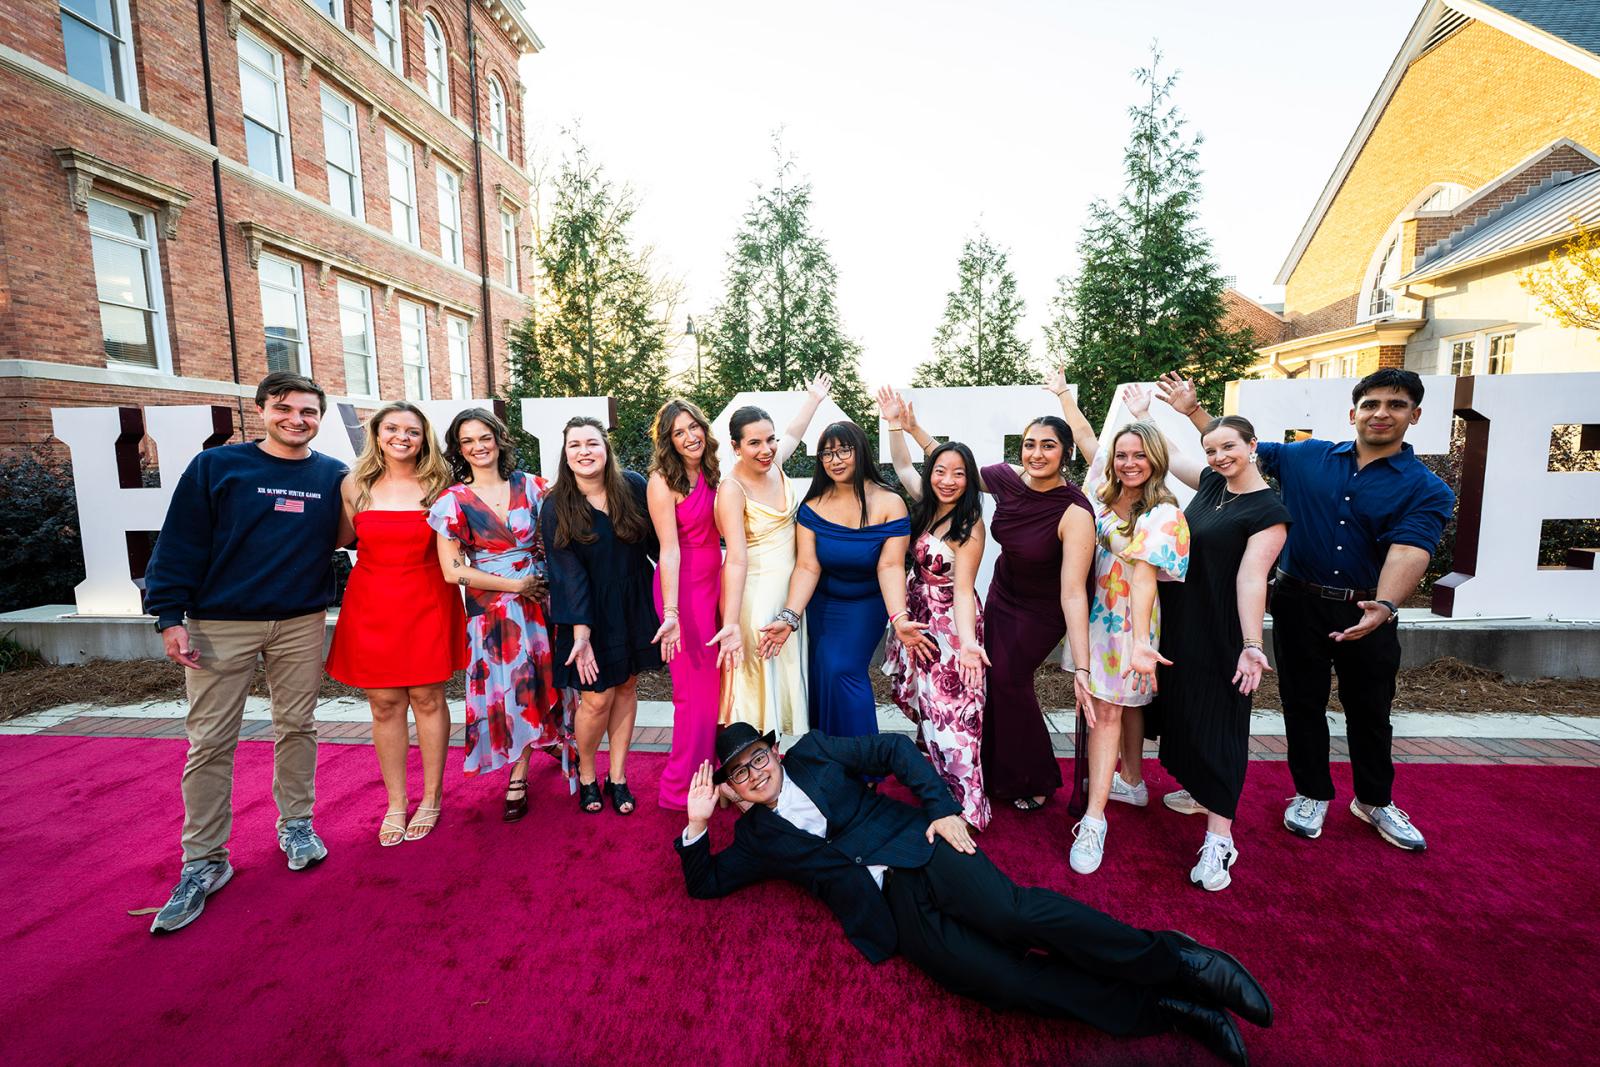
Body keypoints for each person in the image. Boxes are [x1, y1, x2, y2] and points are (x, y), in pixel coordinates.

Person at [674, 724, 1271, 1067]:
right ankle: (1165, 1008)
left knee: (1013, 916)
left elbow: (893, 750)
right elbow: (705, 883)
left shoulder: (813, 753)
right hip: (889, 911)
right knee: (1003, 984)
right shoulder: (755, 837)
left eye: (755, 758)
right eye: (738, 776)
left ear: (772, 751)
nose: (753, 774)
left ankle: (1181, 961)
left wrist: (941, 810)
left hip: (925, 845)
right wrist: (698, 825)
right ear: (732, 792)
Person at [1165, 369, 1453, 851]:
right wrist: (1194, 411)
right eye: (1372, 404)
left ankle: (1375, 801)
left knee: (1370, 710)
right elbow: (1237, 450)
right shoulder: (1307, 457)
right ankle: (1311, 794)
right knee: (1302, 705)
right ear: (1353, 413)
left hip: (1368, 609)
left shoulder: (1427, 489)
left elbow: (1410, 549)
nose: (1382, 413)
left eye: (1396, 405)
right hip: (1299, 602)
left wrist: (1383, 605)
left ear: (1415, 415)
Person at [144, 372, 350, 934]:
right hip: (219, 625)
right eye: (284, 408)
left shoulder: (334, 476)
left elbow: (367, 532)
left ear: (320, 417)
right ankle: (205, 861)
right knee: (210, 741)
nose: (296, 419)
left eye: (308, 411)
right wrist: (169, 616)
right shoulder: (219, 467)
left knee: (298, 726)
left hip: (300, 622)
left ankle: (297, 825)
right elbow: (180, 539)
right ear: (262, 410)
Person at [897, 398, 1096, 813]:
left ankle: (1035, 776)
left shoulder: (1075, 511)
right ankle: (991, 766)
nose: (1036, 454)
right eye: (1029, 444)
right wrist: (912, 428)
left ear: (1066, 452)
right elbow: (953, 468)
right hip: (1003, 595)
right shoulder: (1006, 479)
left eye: (1048, 446)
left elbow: (1074, 591)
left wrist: (1082, 664)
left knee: (1009, 678)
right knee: (989, 678)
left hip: (1045, 609)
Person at [1137, 385, 1291, 891]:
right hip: (1181, 623)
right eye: (1212, 450)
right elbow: (1175, 457)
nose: (1219, 456)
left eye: (1229, 447)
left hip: (1221, 632)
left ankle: (1219, 839)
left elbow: (1252, 580)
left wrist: (1251, 645)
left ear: (1253, 446)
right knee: (1184, 716)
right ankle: (1200, 789)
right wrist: (1145, 416)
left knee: (1221, 728)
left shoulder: (1268, 512)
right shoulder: (1210, 485)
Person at [327, 401, 466, 845]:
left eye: (412, 430)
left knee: (427, 697)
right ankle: (396, 803)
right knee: (384, 703)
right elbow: (336, 540)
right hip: (371, 603)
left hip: (427, 599)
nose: (402, 437)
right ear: (377, 433)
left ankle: (431, 797)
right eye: (392, 428)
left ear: (424, 437)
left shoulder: (442, 484)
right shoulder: (354, 485)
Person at [428, 408, 569, 823]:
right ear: (458, 449)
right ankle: (519, 772)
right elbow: (452, 570)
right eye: (467, 441)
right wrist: (515, 586)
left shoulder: (534, 486)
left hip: (542, 601)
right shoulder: (451, 501)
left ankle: (545, 742)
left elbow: (560, 535)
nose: (478, 447)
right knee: (513, 689)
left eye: (484, 437)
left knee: (544, 680)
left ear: (499, 439)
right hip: (492, 612)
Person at [1070, 412, 1190, 876]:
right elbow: (1088, 443)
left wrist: (1141, 640)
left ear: (1156, 459)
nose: (1129, 463)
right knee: (1124, 706)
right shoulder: (1100, 501)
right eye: (1122, 455)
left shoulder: (1165, 514)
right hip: (1093, 615)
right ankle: (1133, 781)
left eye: (1140, 455)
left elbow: (1143, 580)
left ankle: (1094, 820)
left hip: (1128, 624)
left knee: (1107, 711)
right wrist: (1063, 396)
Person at [759, 420, 929, 742]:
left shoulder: (890, 503)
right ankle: (830, 756)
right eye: (827, 453)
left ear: (860, 451)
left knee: (844, 670)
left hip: (867, 605)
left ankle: (864, 760)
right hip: (824, 605)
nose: (835, 460)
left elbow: (890, 565)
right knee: (823, 671)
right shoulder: (812, 506)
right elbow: (808, 567)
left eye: (843, 451)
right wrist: (789, 617)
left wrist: (900, 618)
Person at [880, 389, 992, 830]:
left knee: (955, 716)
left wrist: (966, 646)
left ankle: (968, 808)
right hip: (917, 617)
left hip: (950, 625)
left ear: (969, 480)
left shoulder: (970, 525)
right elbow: (905, 465)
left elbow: (964, 590)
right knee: (928, 709)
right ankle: (938, 790)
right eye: (940, 471)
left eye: (958, 474)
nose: (947, 479)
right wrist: (895, 423)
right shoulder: (925, 506)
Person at [541, 416, 662, 816]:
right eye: (574, 445)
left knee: (626, 688)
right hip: (588, 611)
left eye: (592, 443)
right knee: (596, 699)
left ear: (606, 448)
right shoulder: (557, 503)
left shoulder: (633, 487)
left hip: (634, 601)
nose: (584, 451)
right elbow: (565, 571)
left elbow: (663, 546)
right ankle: (588, 775)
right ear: (566, 454)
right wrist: (581, 633)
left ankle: (619, 776)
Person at [716, 374, 832, 735]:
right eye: (754, 443)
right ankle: (751, 761)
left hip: (791, 595)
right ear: (735, 446)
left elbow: (794, 434)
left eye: (770, 439)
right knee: (756, 680)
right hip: (754, 600)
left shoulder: (775, 463)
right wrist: (731, 622)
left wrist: (813, 399)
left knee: (784, 676)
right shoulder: (731, 489)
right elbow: (735, 558)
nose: (765, 449)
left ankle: (783, 762)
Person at [647, 399, 737, 811]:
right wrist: (672, 614)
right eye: (679, 432)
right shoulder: (662, 481)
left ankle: (714, 774)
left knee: (715, 691)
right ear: (668, 440)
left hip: (713, 583)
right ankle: (680, 786)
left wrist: (810, 405)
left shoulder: (715, 472)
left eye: (694, 427)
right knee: (694, 695)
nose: (690, 436)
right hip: (681, 591)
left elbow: (780, 447)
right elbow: (669, 551)